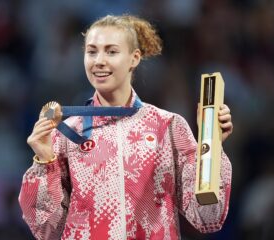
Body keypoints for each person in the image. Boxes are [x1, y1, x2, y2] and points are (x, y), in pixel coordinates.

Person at [19, 14, 233, 240]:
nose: (99, 60)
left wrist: (212, 146)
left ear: (134, 58)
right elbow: (48, 231)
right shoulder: (68, 134)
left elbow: (207, 217)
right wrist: (45, 161)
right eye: (92, 51)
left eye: (111, 51)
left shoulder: (168, 127)